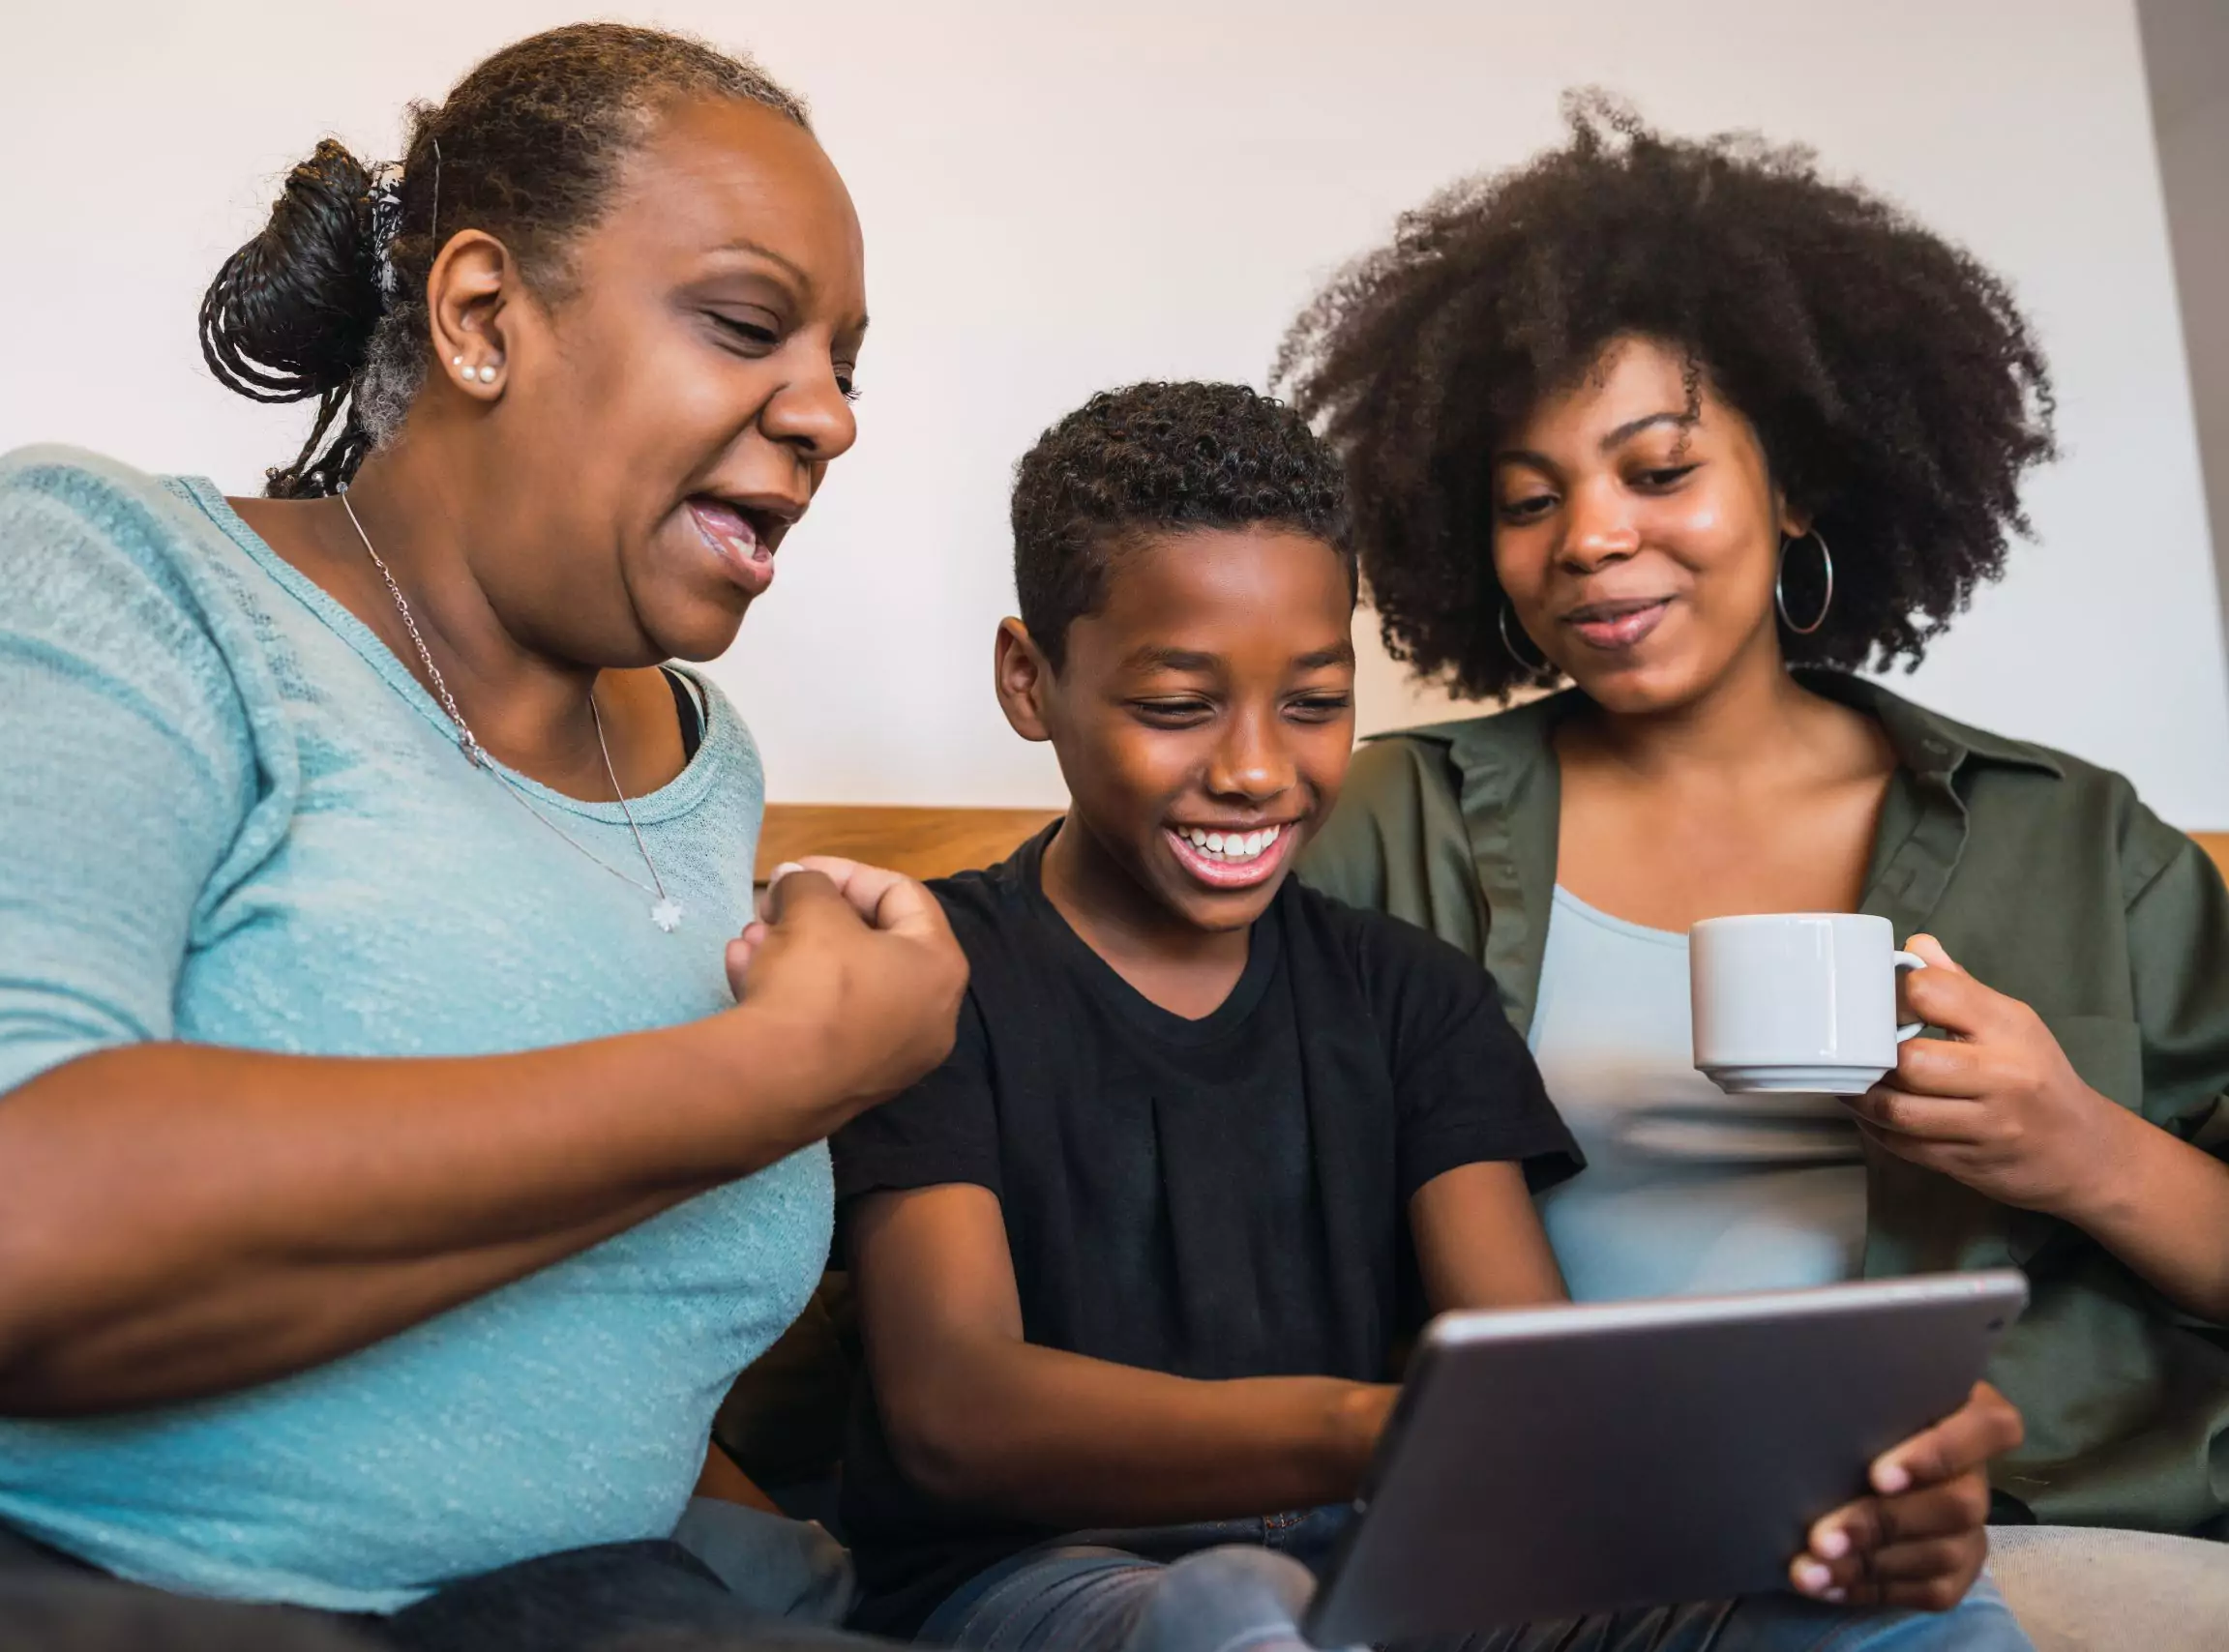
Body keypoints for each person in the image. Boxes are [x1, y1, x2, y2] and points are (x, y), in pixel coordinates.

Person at [0, 23, 965, 1652]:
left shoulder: (701, 764)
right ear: (482, 319)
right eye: (751, 326)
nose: (827, 414)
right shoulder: (111, 577)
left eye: (844, 361)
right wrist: (783, 1073)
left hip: (537, 1605)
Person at [828, 381, 2033, 1652]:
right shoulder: (931, 972)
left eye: (1313, 701)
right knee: (1233, 1618)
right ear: (1031, 680)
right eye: (1177, 705)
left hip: (1382, 1561)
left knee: (1892, 1612)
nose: (1255, 768)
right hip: (1044, 1580)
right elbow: (954, 1419)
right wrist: (1378, 1429)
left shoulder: (1411, 996)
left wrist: (1860, 1491)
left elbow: (1533, 1382)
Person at [1283, 98, 2229, 1644]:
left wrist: (2083, 1151)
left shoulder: (2074, 839)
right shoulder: (1399, 822)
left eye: (1658, 471)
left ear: (1797, 486)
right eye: (1529, 500)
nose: (1590, 537)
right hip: (1555, 1533)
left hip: (1991, 1525)